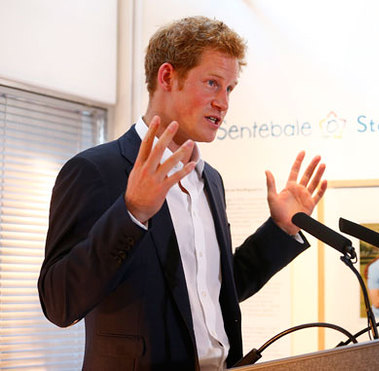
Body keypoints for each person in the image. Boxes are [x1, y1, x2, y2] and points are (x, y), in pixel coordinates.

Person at [37, 16, 327, 370]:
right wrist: (131, 213)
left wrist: (280, 230)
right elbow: (59, 303)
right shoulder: (96, 170)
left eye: (229, 89)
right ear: (167, 77)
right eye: (212, 83)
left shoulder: (211, 181)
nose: (223, 102)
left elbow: (217, 291)